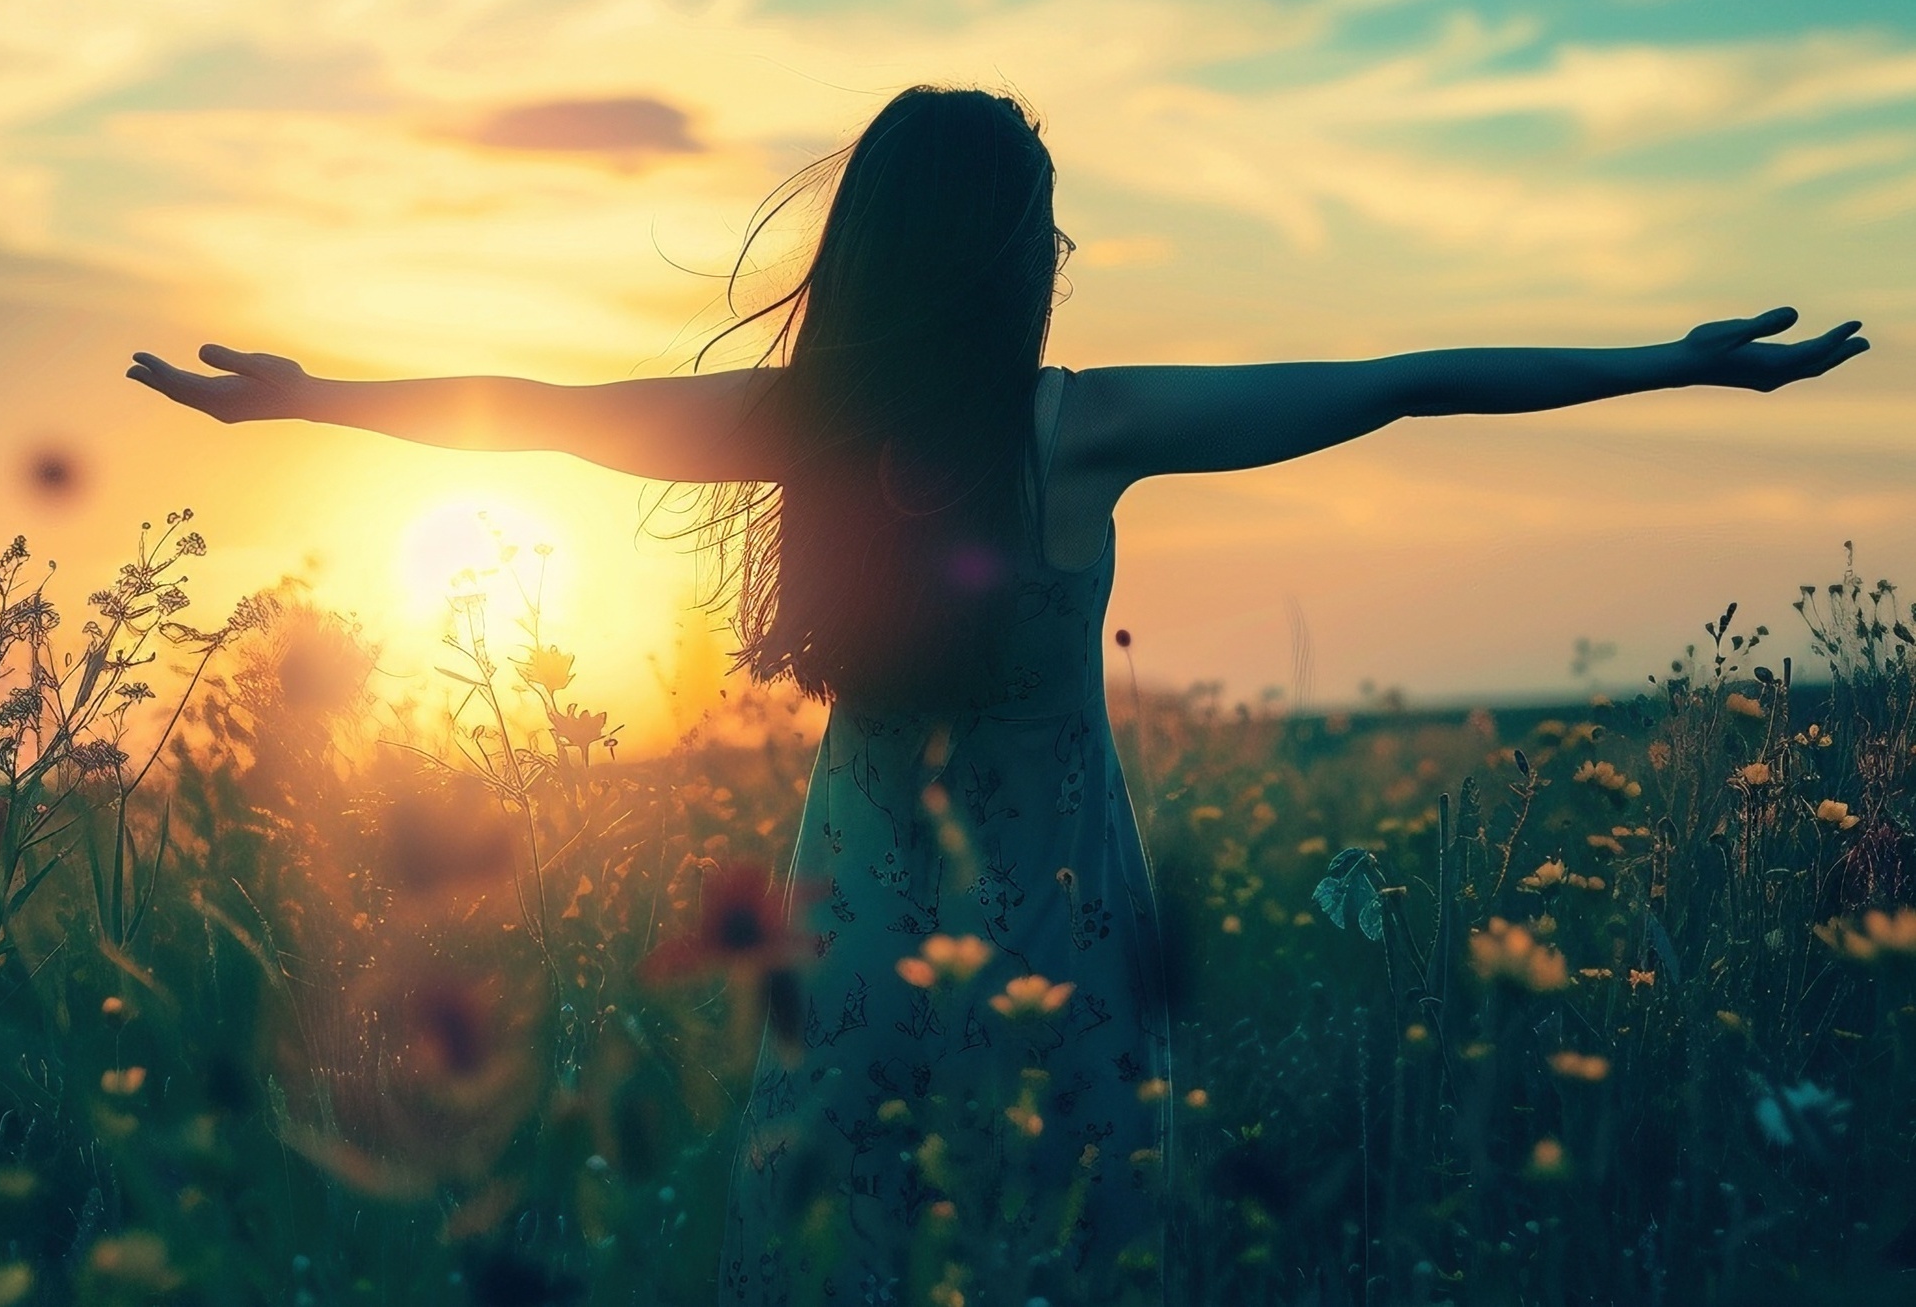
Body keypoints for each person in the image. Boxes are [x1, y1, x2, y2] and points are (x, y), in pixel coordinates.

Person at [128, 85, 1869, 1304]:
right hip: (1059, 940)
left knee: (845, 1253)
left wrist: (312, 399)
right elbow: (1404, 382)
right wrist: (1668, 359)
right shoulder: (1079, 427)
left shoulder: (797, 436)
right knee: (1062, 1247)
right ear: (1009, 252)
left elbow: (537, 407)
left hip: (856, 951)